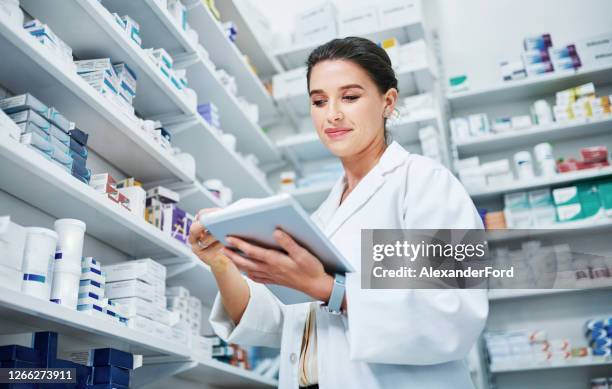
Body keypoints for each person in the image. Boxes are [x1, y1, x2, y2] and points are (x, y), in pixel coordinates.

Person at [189, 37, 488, 389]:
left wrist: (329, 289)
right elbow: (281, 323)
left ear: (387, 102)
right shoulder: (323, 216)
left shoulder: (425, 185)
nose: (332, 114)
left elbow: (452, 314)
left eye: (350, 97)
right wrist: (222, 263)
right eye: (319, 101)